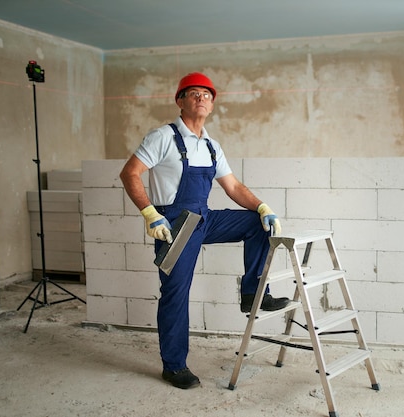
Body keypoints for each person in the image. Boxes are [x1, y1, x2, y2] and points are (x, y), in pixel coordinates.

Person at [119, 72, 289, 390]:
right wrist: (149, 214)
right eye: (193, 93)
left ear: (212, 104)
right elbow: (130, 173)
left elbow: (233, 186)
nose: (201, 98)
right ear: (180, 100)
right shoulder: (162, 137)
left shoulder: (211, 145)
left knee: (257, 223)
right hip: (176, 225)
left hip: (204, 218)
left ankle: (253, 294)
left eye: (207, 94)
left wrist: (263, 207)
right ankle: (174, 366)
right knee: (175, 295)